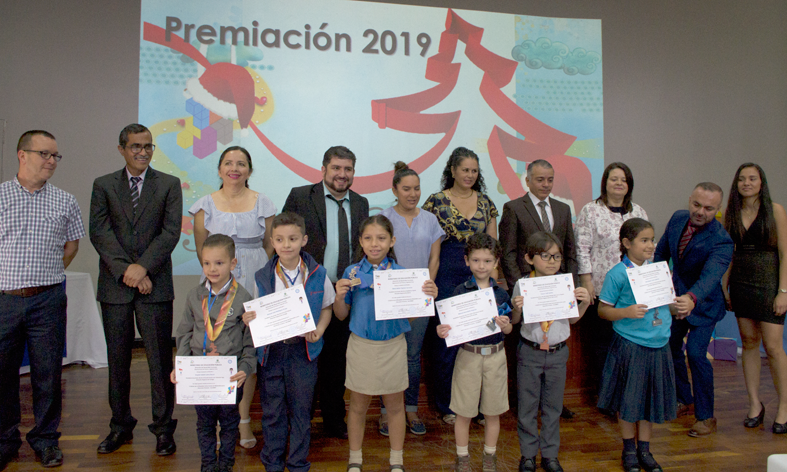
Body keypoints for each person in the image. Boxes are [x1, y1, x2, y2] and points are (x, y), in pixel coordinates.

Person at [89, 123, 182, 455]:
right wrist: (127, 270)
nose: (142, 152)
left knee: (159, 360)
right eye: (135, 147)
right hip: (115, 287)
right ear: (121, 148)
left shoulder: (169, 184)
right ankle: (120, 425)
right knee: (118, 361)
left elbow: (170, 233)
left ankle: (162, 428)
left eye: (148, 146)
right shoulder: (103, 185)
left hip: (154, 286)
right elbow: (100, 233)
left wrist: (143, 268)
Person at [0, 130, 85, 469]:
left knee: (47, 373)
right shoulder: (1, 195)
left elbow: (72, 246)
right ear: (22, 155)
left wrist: (43, 276)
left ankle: (46, 439)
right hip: (4, 300)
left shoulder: (65, 200)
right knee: (3, 372)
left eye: (55, 156)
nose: (51, 161)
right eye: (44, 154)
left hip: (48, 299)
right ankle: (5, 439)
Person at [333, 215, 438, 472]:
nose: (374, 244)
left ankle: (396, 459)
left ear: (392, 241)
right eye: (368, 238)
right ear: (360, 241)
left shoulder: (404, 276)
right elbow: (340, 315)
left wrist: (426, 299)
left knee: (394, 406)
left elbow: (410, 316)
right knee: (358, 406)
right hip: (361, 346)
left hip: (393, 346)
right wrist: (338, 296)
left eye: (381, 238)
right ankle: (355, 458)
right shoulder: (352, 273)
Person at [189, 145, 276, 447]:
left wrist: (251, 267)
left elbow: (269, 245)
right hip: (217, 282)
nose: (234, 168)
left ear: (249, 170)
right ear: (219, 169)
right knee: (216, 347)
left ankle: (243, 421)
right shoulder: (205, 205)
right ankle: (215, 421)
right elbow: (203, 249)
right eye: (228, 163)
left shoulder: (263, 202)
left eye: (241, 163)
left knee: (247, 349)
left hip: (253, 276)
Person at [283, 145, 369, 439]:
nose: (341, 174)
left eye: (347, 169)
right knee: (305, 360)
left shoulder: (361, 203)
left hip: (344, 294)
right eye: (336, 168)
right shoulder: (300, 196)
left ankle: (333, 419)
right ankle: (301, 421)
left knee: (337, 361)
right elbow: (285, 237)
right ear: (324, 169)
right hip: (309, 292)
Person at [243, 212, 336, 471]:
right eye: (280, 239)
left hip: (303, 353)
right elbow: (255, 311)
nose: (287, 245)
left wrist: (319, 329)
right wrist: (249, 318)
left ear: (304, 240)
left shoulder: (318, 273)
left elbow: (327, 307)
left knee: (301, 411)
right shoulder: (262, 275)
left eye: (293, 239)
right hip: (272, 354)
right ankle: (272, 463)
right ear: (272, 242)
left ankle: (297, 463)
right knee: (272, 412)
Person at [597, 218, 681, 472]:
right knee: (628, 401)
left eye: (652, 240)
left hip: (659, 343)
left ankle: (645, 449)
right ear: (626, 243)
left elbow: (666, 302)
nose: (650, 245)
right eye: (644, 240)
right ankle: (629, 450)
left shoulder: (658, 269)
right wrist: (626, 312)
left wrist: (676, 306)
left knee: (649, 401)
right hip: (630, 345)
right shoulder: (617, 274)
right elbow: (603, 311)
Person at [499, 159, 579, 420]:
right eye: (540, 179)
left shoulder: (564, 209)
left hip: (557, 294)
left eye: (550, 180)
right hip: (528, 293)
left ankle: (553, 402)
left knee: (556, 352)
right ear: (528, 180)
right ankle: (527, 405)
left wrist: (570, 288)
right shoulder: (513, 208)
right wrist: (520, 289)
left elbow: (569, 252)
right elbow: (509, 252)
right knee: (529, 352)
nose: (545, 184)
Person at [423, 147, 498, 424]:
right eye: (464, 169)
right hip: (445, 273)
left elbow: (493, 246)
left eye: (474, 170)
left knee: (475, 341)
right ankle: (447, 406)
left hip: (478, 274)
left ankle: (474, 406)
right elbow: (429, 245)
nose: (469, 175)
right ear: (452, 171)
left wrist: (491, 282)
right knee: (447, 342)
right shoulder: (436, 201)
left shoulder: (487, 203)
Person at [654, 183, 733, 438]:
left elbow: (711, 277)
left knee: (697, 355)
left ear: (718, 210)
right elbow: (661, 254)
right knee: (669, 347)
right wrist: (656, 286)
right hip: (675, 299)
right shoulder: (678, 218)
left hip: (704, 305)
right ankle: (684, 399)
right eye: (697, 205)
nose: (700, 212)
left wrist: (691, 298)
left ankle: (706, 417)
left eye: (709, 208)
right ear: (690, 200)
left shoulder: (722, 241)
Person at [171, 234, 255, 472]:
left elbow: (250, 343)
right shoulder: (194, 295)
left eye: (219, 263)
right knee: (205, 423)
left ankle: (226, 464)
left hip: (230, 376)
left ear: (233, 264)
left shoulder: (243, 297)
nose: (212, 268)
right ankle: (208, 465)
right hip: (200, 374)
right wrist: (181, 366)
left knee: (229, 423)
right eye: (206, 263)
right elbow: (184, 333)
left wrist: (245, 369)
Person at [511, 232, 591, 472]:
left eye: (556, 256)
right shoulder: (522, 284)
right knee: (527, 406)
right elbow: (515, 321)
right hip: (530, 351)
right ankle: (527, 455)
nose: (552, 261)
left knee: (553, 407)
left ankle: (550, 455)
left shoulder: (565, 284)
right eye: (545, 256)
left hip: (558, 352)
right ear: (529, 258)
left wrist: (585, 301)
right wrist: (517, 308)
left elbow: (574, 321)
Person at [378, 162, 445, 436]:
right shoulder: (383, 218)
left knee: (411, 356)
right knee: (388, 355)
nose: (413, 193)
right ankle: (385, 412)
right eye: (406, 188)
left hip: (419, 300)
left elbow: (435, 258)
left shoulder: (430, 219)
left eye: (417, 188)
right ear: (394, 190)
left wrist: (426, 287)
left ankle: (410, 409)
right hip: (390, 299)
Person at [436, 233, 513, 472]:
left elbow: (509, 328)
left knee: (492, 411)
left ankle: (489, 456)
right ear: (467, 261)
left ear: (496, 262)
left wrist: (506, 325)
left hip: (496, 356)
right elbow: (450, 329)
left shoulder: (501, 294)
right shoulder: (460, 291)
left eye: (487, 261)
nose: (482, 265)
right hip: (468, 356)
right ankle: (462, 457)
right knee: (463, 411)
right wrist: (442, 331)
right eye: (477, 260)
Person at [574, 163, 648, 409]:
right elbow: (581, 247)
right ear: (605, 182)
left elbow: (648, 247)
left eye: (623, 180)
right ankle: (606, 398)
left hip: (632, 290)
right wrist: (586, 281)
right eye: (613, 179)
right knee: (602, 346)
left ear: (630, 185)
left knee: (629, 343)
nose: (618, 184)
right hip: (601, 288)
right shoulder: (591, 210)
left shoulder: (638, 211)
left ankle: (628, 394)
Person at [722, 163, 787, 433]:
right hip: (741, 283)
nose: (746, 183)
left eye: (752, 178)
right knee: (749, 342)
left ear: (761, 182)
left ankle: (784, 407)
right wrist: (725, 285)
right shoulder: (732, 212)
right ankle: (754, 405)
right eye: (741, 179)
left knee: (773, 347)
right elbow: (730, 253)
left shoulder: (776, 210)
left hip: (770, 283)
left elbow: (785, 254)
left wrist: (783, 291)